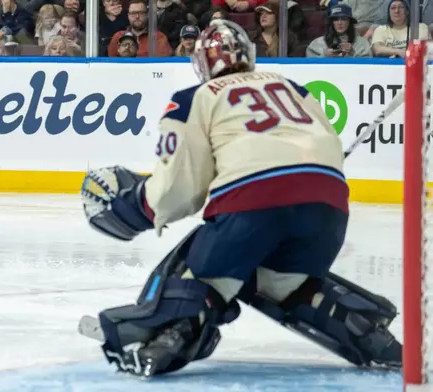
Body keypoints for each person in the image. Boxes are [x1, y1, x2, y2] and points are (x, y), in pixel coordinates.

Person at [79, 19, 402, 377]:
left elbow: (178, 188)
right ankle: (364, 331)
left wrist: (135, 206)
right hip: (328, 209)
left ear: (201, 64)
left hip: (255, 205)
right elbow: (326, 150)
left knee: (197, 266)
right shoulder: (291, 87)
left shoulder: (195, 98)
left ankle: (167, 335)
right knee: (278, 280)